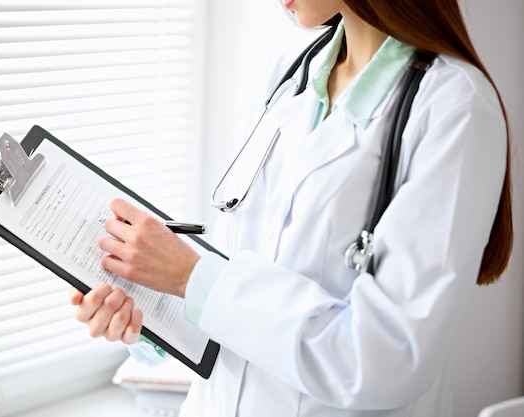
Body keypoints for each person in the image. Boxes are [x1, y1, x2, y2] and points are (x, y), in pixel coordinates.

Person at [69, 0, 513, 416]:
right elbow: (241, 287)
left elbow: (386, 357)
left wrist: (193, 277)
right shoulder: (290, 76)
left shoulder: (454, 107)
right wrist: (151, 312)